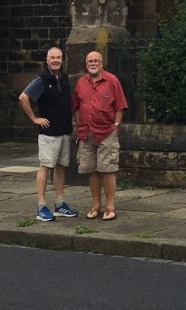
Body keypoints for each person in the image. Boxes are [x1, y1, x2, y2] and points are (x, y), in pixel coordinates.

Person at [18, 46, 78, 222]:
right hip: (49, 133)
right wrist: (34, 118)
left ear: (62, 60)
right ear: (47, 60)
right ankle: (41, 206)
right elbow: (23, 97)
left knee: (60, 167)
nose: (56, 60)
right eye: (52, 58)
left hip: (64, 130)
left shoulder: (64, 78)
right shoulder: (42, 79)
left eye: (58, 57)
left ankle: (59, 204)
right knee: (45, 167)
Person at [72, 49, 128, 221]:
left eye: (96, 61)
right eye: (90, 61)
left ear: (102, 63)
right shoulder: (81, 83)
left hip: (106, 133)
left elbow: (120, 106)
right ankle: (96, 205)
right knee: (91, 171)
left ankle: (110, 208)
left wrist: (116, 125)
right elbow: (75, 106)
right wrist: (77, 124)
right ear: (86, 64)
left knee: (108, 170)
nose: (93, 63)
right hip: (86, 133)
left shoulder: (112, 80)